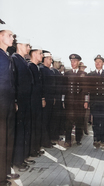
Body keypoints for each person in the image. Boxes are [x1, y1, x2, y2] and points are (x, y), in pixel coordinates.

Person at [11, 36, 33, 171]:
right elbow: (13, 81)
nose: (29, 48)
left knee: (23, 131)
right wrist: (14, 101)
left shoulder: (23, 60)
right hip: (19, 101)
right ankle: (17, 161)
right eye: (27, 45)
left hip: (25, 101)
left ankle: (22, 158)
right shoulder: (14, 59)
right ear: (19, 45)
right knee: (18, 132)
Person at [0, 24, 16, 186]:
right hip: (1, 105)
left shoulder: (5, 55)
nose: (12, 38)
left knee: (7, 140)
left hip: (7, 104)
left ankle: (4, 173)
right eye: (9, 35)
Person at [87, 54, 104, 148]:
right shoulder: (90, 75)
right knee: (95, 121)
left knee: (103, 121)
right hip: (95, 102)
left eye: (99, 62)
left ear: (103, 63)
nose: (97, 63)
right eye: (96, 62)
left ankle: (102, 139)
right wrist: (87, 101)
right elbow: (87, 90)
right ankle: (96, 139)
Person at [63, 54, 87, 147]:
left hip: (80, 101)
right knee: (68, 121)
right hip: (69, 101)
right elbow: (64, 88)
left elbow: (86, 89)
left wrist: (86, 101)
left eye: (75, 61)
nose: (73, 63)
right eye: (71, 61)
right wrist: (63, 101)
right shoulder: (67, 73)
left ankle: (78, 139)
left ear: (78, 62)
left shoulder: (83, 74)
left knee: (79, 121)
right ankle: (68, 140)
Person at [28, 46, 45, 157]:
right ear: (34, 54)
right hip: (32, 101)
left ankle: (36, 148)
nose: (42, 55)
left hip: (37, 101)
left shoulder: (36, 67)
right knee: (33, 126)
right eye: (40, 53)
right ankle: (32, 151)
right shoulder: (30, 66)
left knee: (37, 125)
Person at [40, 50, 55, 148]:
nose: (51, 61)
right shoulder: (41, 69)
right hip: (45, 99)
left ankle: (48, 140)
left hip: (50, 98)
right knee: (44, 121)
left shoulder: (49, 70)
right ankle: (44, 142)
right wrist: (43, 98)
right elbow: (41, 85)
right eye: (49, 59)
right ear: (44, 59)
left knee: (49, 120)